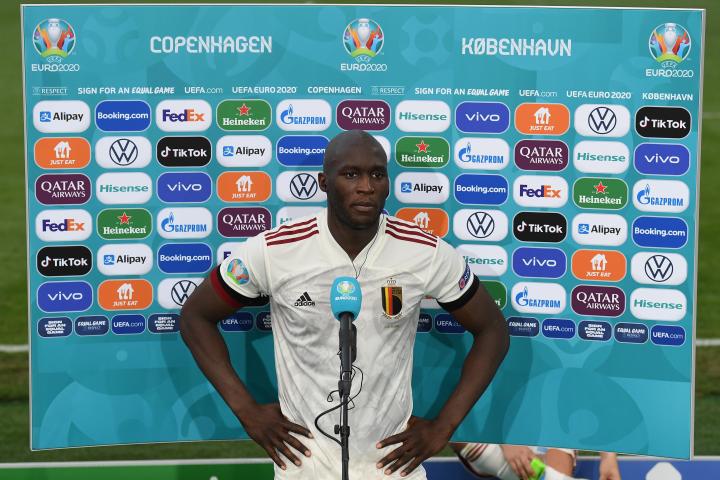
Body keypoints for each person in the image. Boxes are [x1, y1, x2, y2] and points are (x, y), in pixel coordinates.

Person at [179, 130, 509, 479]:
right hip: (304, 468)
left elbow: (493, 330)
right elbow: (195, 317)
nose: (366, 187)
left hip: (392, 468)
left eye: (377, 175)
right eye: (351, 174)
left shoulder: (425, 252)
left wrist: (443, 427)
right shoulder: (275, 250)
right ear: (324, 182)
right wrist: (247, 412)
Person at [452, 442, 621, 480]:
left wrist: (608, 457)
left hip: (549, 419)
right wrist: (503, 438)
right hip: (492, 418)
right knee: (451, 423)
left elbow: (592, 389)